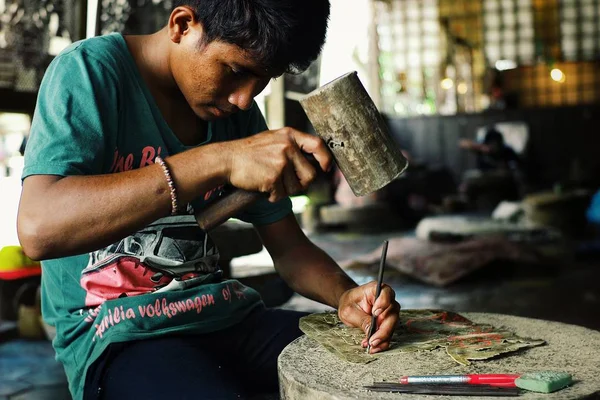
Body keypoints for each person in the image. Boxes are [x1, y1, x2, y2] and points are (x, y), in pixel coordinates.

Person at [16, 1, 400, 399]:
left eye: (262, 80)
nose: (244, 99)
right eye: (235, 71)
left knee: (384, 368)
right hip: (119, 335)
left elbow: (290, 249)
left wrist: (347, 296)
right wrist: (221, 160)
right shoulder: (89, 73)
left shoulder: (232, 114)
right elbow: (38, 229)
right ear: (183, 25)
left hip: (228, 318)